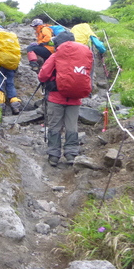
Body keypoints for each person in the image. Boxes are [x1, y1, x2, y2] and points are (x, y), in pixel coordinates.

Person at [38, 31, 94, 167]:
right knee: (72, 126)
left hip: (56, 97)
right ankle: (71, 154)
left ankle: (54, 156)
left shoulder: (56, 55)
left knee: (55, 125)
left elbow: (43, 75)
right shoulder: (85, 55)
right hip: (75, 98)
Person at [0, 25, 22, 115]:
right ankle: (15, 105)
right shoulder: (11, 39)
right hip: (12, 65)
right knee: (10, 84)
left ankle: (0, 107)